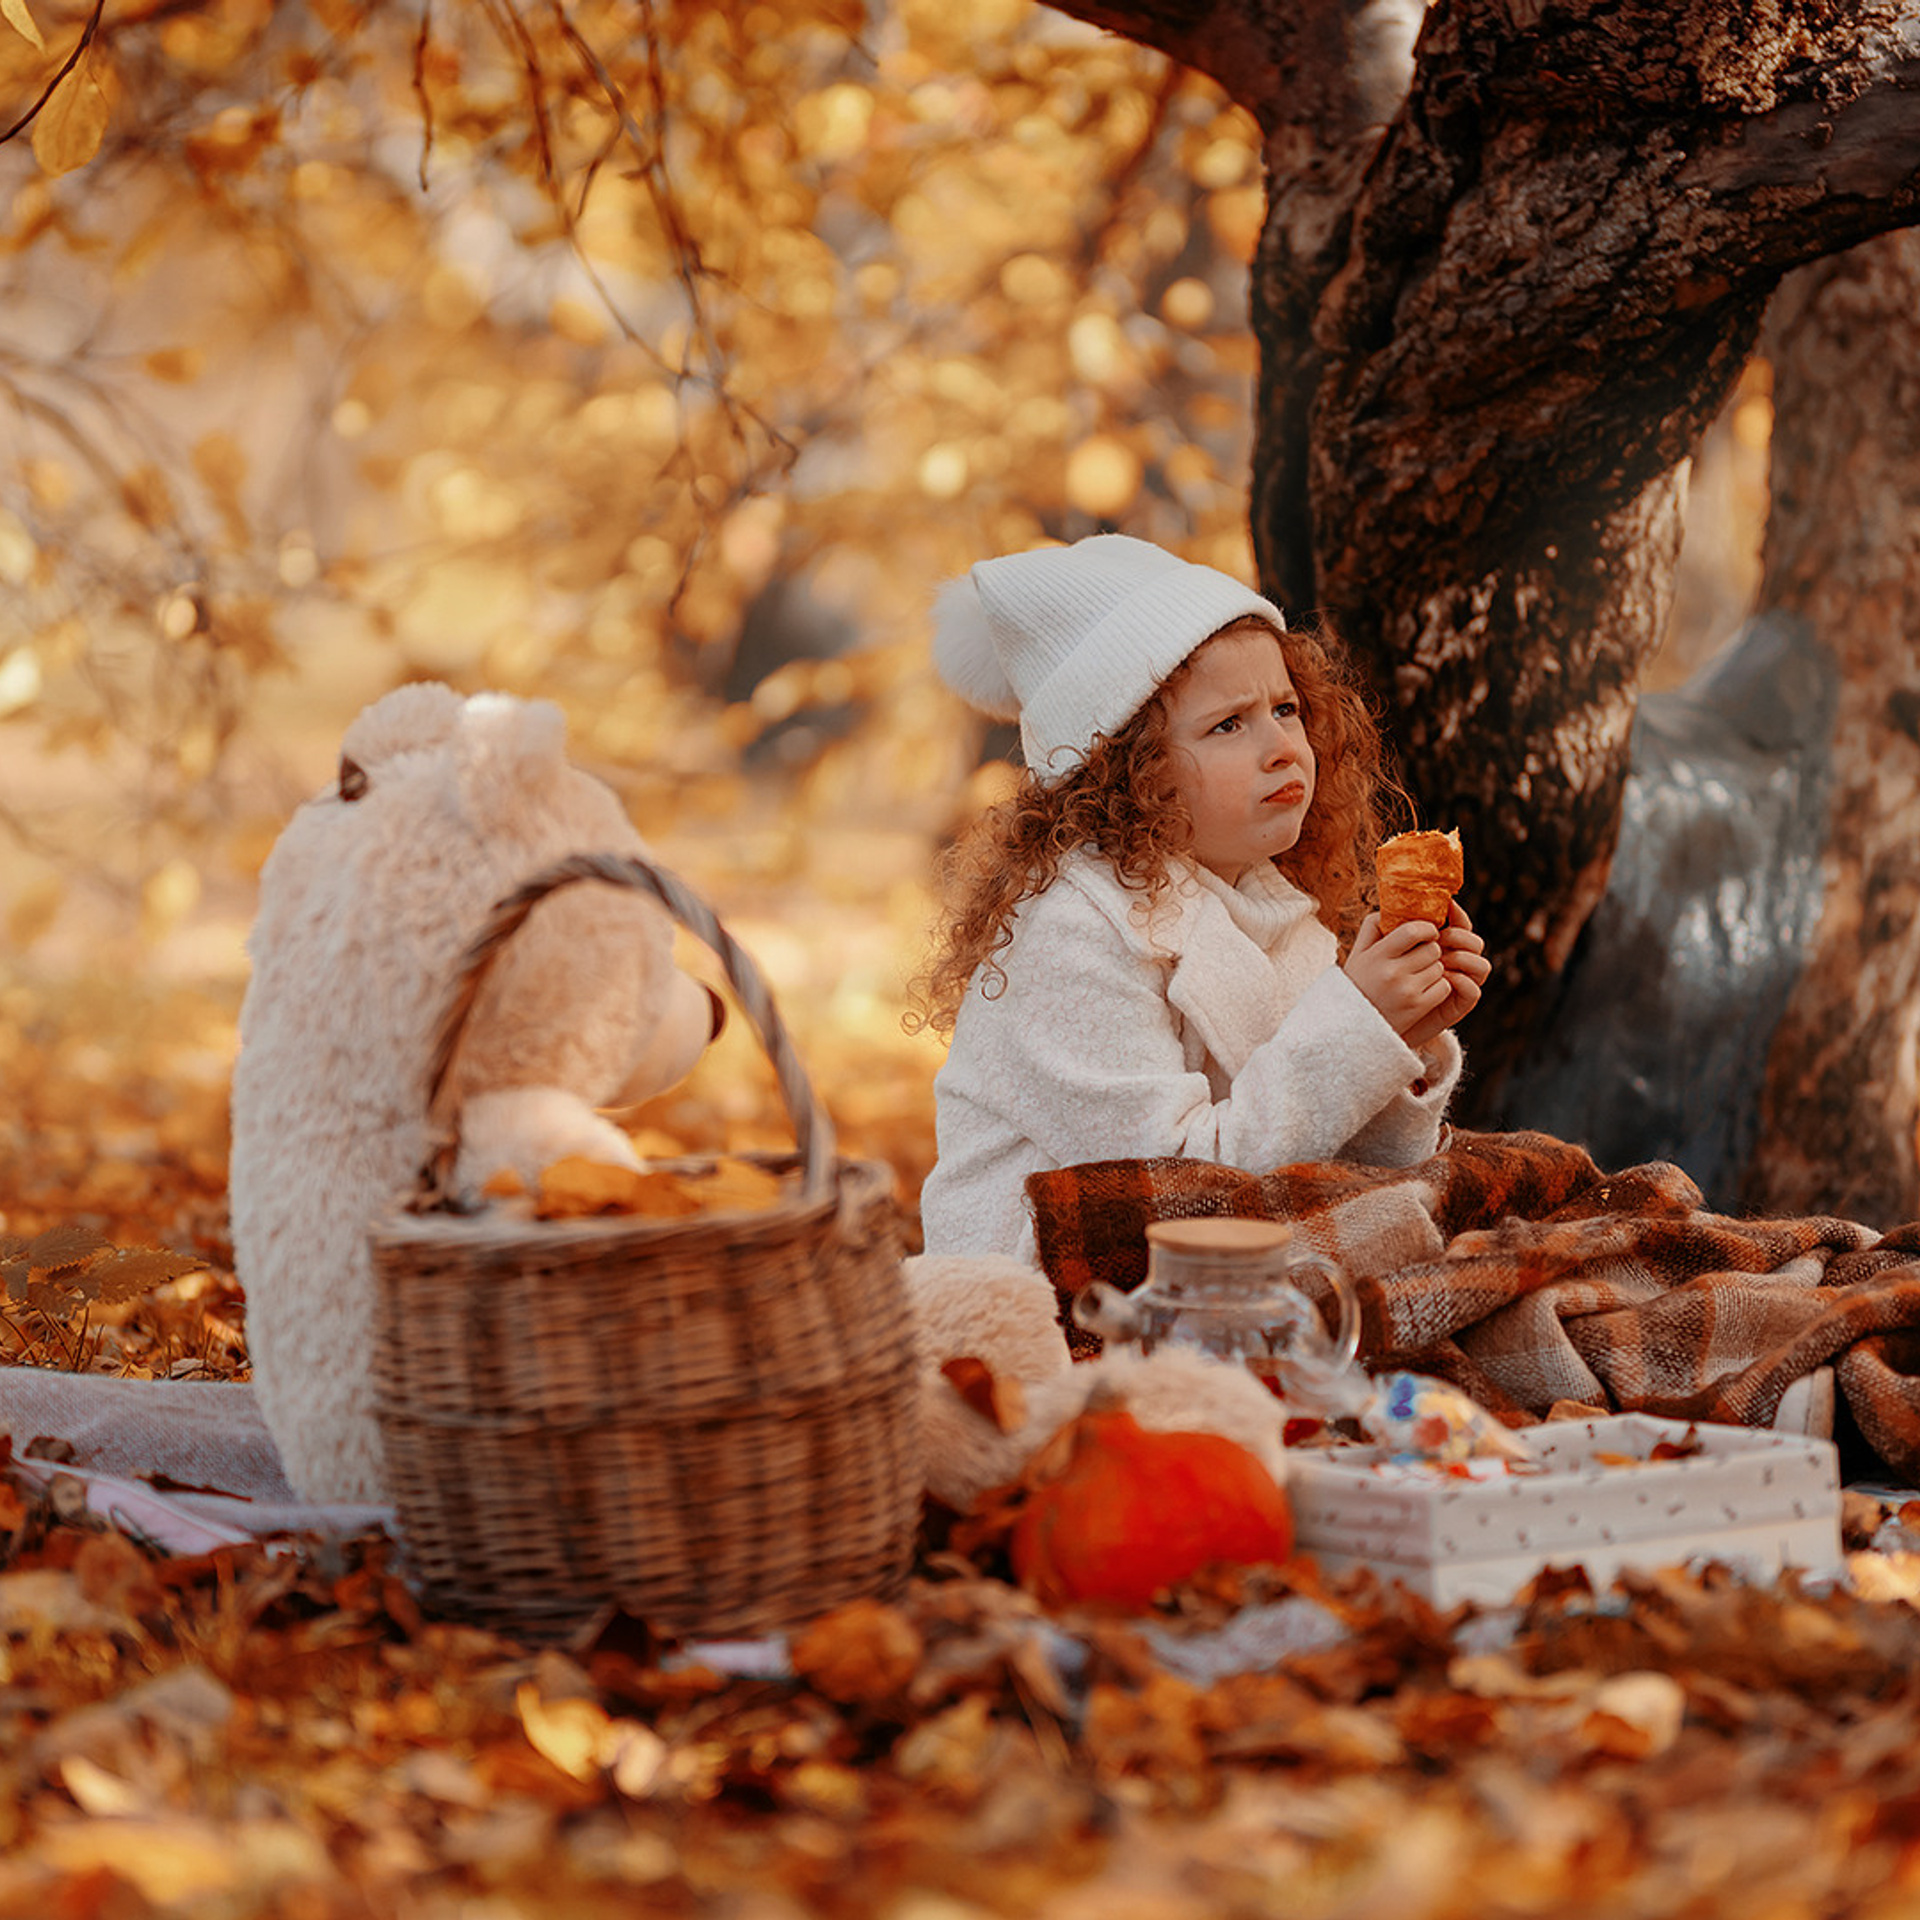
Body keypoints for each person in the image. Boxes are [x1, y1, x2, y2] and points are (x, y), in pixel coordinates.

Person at [912, 532, 1490, 1262]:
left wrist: (1399, 1037)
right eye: (1228, 724)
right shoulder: (1071, 929)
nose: (1283, 746)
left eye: (1286, 708)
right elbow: (1178, 1183)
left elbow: (1328, 1160)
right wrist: (1358, 1021)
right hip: (1058, 1290)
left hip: (1220, 1262)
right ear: (1129, 770)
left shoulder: (1274, 909)